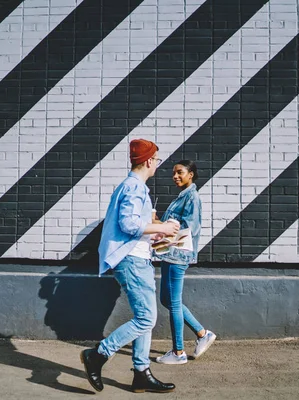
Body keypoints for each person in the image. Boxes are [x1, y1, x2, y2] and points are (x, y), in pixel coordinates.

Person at [80, 138, 179, 393]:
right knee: (147, 318)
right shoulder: (134, 187)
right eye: (156, 159)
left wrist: (154, 236)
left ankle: (141, 374)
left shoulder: (132, 186)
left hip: (136, 258)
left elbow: (135, 228)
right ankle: (98, 355)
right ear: (148, 160)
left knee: (144, 317)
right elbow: (129, 225)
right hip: (132, 261)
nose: (157, 164)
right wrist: (164, 227)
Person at [154, 160, 216, 365]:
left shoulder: (192, 198)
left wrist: (164, 228)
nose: (175, 176)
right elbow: (173, 226)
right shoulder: (181, 197)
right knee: (168, 300)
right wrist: (159, 225)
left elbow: (190, 228)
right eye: (174, 173)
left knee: (173, 303)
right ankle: (202, 333)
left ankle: (178, 352)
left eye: (180, 172)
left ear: (191, 174)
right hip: (169, 254)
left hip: (177, 256)